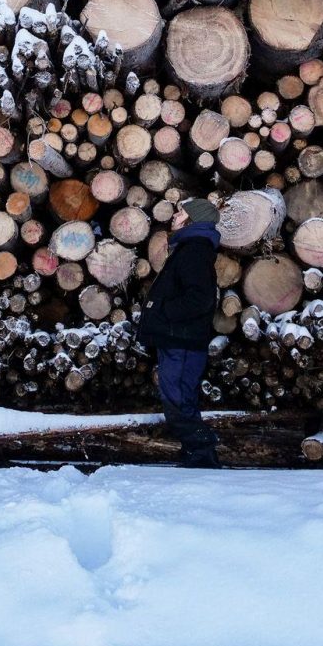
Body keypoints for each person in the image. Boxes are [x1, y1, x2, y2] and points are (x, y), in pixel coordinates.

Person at [137, 196, 222, 468]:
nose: (174, 216)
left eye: (180, 212)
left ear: (192, 219)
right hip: (179, 338)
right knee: (179, 396)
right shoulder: (191, 248)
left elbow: (200, 298)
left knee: (178, 397)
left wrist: (162, 311)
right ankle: (195, 453)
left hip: (182, 340)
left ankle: (201, 448)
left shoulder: (195, 250)